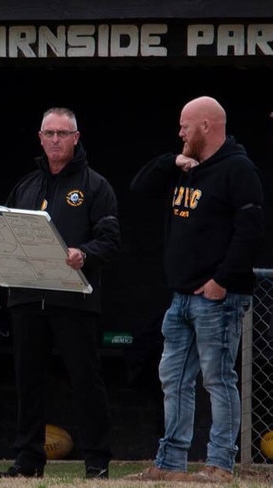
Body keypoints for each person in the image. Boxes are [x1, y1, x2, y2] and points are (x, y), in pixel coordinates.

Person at [0, 107, 121, 479]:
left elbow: (111, 240)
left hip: (73, 298)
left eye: (63, 133)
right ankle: (28, 461)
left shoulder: (95, 185)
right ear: (39, 137)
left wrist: (84, 253)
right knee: (28, 380)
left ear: (76, 137)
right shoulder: (26, 185)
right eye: (49, 133)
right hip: (26, 298)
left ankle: (97, 462)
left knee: (85, 379)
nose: (55, 139)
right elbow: (5, 229)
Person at [129, 96, 265, 482]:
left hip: (217, 297)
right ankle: (169, 463)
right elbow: (139, 186)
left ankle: (220, 463)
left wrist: (222, 280)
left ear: (206, 126)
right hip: (181, 298)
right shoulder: (186, 169)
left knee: (218, 379)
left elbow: (251, 231)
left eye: (185, 125)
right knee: (173, 379)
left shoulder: (239, 170)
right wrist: (171, 161)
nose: (180, 132)